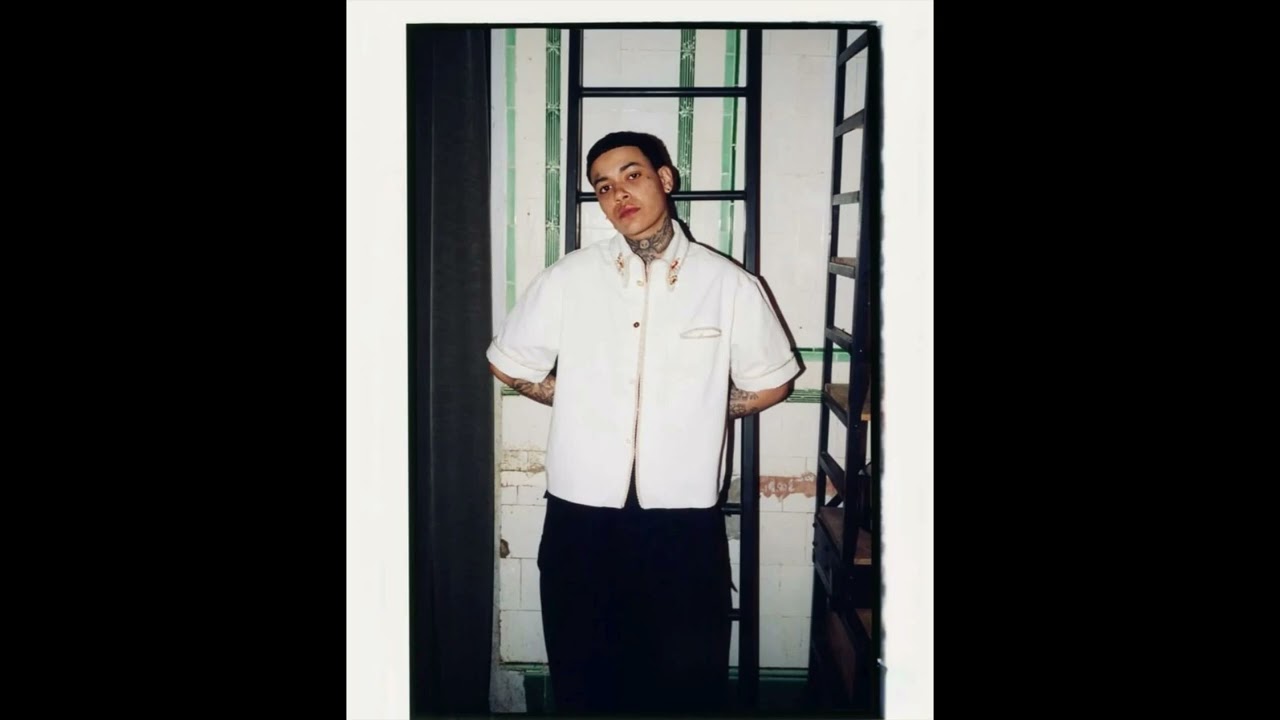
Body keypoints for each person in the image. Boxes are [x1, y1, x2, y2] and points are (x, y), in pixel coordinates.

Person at [486, 130, 800, 715]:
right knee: (584, 676)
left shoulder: (728, 284)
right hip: (581, 517)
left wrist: (706, 406)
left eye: (632, 175)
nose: (619, 194)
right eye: (604, 186)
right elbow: (509, 364)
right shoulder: (569, 278)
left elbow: (772, 382)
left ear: (666, 179)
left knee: (685, 682)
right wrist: (570, 396)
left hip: (683, 523)